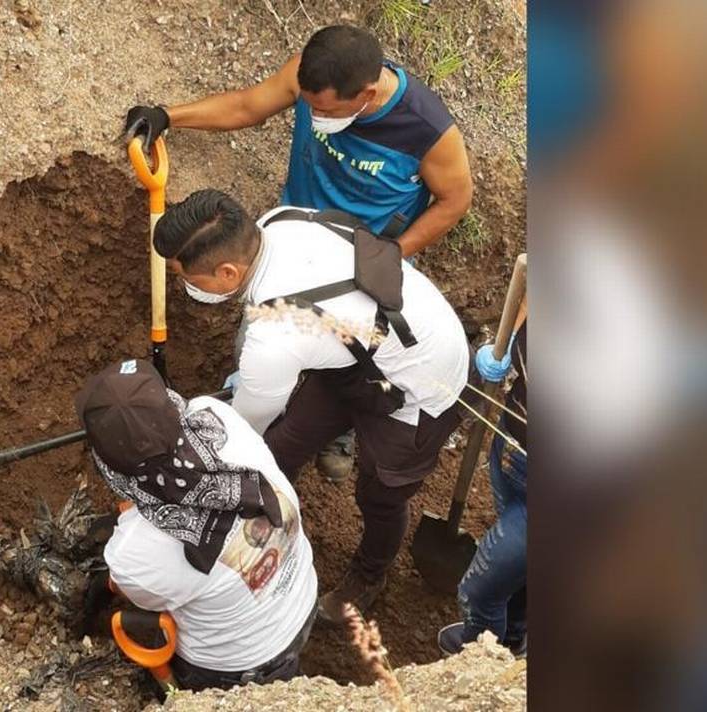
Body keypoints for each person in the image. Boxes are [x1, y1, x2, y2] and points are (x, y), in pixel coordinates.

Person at [124, 24, 472, 483]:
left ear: (366, 94)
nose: (313, 112)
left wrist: (386, 255)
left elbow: (456, 199)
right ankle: (269, 391)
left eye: (323, 109)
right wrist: (168, 115)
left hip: (363, 270)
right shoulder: (312, 78)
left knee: (356, 350)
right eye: (308, 104)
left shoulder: (425, 129)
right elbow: (248, 105)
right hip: (294, 239)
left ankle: (338, 430)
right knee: (268, 340)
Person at [151, 189, 469, 624]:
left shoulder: (276, 336)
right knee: (283, 448)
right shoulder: (281, 221)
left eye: (185, 276)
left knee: (379, 493)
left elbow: (240, 432)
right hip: (354, 357)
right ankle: (271, 516)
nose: (184, 285)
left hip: (420, 386)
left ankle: (369, 575)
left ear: (227, 272)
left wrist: (188, 452)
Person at [75, 358, 318, 691]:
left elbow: (144, 594)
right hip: (302, 599)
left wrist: (109, 580)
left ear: (111, 469)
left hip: (239, 667)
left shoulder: (134, 554)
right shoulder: (217, 416)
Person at [438, 318, 527, 657]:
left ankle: (482, 655)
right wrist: (511, 338)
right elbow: (527, 280)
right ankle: (516, 637)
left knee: (479, 593)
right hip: (511, 451)